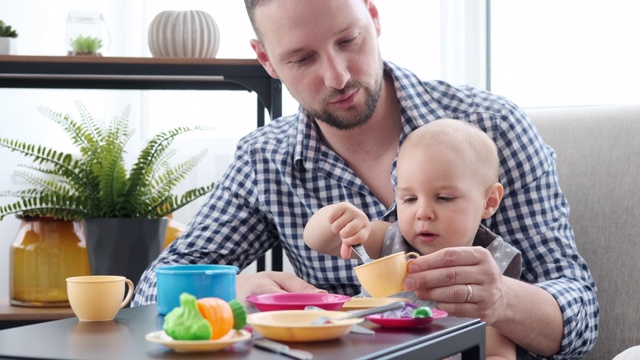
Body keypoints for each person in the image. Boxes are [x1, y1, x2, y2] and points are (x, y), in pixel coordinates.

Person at [133, 1, 599, 358]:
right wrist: (232, 291)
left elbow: (580, 312)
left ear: (373, 15)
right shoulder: (265, 159)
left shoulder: (490, 127)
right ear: (267, 62)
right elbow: (154, 286)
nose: (337, 76)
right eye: (301, 58)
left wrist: (499, 301)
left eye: (348, 40)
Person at [304, 119, 521, 360]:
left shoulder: (493, 268)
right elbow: (318, 241)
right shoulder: (387, 241)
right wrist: (336, 220)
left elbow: (497, 354)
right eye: (408, 199)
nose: (422, 212)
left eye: (444, 198)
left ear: (489, 201)